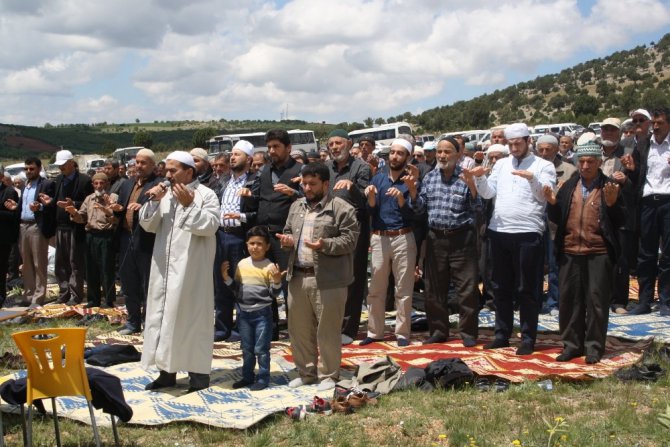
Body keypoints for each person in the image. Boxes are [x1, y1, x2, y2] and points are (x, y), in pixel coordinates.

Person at [465, 123, 556, 355]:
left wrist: (532, 179)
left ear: (528, 141)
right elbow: (489, 193)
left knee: (527, 288)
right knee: (500, 287)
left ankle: (527, 338)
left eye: (518, 143)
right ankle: (502, 335)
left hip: (528, 232)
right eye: (511, 144)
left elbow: (545, 195)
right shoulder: (501, 164)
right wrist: (479, 179)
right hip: (499, 232)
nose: (514, 147)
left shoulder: (544, 165)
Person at [140, 151, 220, 393]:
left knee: (192, 319)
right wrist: (153, 201)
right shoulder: (164, 195)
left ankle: (198, 375)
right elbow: (148, 225)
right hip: (164, 269)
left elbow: (210, 225)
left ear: (189, 171)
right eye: (166, 170)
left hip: (192, 270)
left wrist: (188, 205)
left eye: (173, 170)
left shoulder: (206, 195)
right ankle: (166, 372)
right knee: (163, 318)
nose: (167, 175)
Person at [276, 162, 359, 391]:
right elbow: (288, 231)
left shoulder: (341, 208)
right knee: (299, 329)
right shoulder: (296, 207)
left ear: (325, 183)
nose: (307, 188)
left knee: (328, 330)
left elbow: (350, 241)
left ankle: (329, 375)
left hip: (329, 279)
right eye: (304, 183)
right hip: (298, 276)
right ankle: (306, 373)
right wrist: (287, 240)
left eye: (312, 184)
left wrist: (324, 245)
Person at [545, 142, 625, 363]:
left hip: (598, 252)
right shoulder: (569, 185)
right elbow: (557, 217)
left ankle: (593, 348)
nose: (585, 165)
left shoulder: (610, 186)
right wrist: (552, 204)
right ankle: (572, 345)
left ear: (599, 162)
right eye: (582, 161)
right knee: (569, 301)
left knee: (597, 302)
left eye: (590, 161)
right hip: (570, 250)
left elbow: (623, 220)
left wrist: (612, 204)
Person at [411, 136, 480, 347]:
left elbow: (479, 210)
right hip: (435, 239)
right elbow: (420, 209)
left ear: (458, 154)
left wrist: (473, 187)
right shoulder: (430, 177)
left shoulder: (467, 177)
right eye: (439, 151)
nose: (442, 155)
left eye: (447, 151)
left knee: (467, 290)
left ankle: (468, 334)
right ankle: (439, 331)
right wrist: (413, 192)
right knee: (434, 289)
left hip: (462, 238)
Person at [361, 138, 418, 348]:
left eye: (399, 153)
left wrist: (404, 200)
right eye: (392, 152)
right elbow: (371, 211)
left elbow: (417, 213)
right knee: (376, 288)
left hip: (403, 236)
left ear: (407, 157)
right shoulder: (378, 179)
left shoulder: (411, 181)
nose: (394, 156)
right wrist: (371, 200)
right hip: (379, 237)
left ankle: (402, 333)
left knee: (403, 289)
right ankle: (375, 332)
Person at [247, 129, 302, 339]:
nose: (272, 151)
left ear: (288, 148)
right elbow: (257, 197)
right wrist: (248, 196)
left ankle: (295, 330)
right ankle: (269, 329)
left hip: (285, 237)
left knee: (289, 286)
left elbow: (311, 197)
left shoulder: (300, 169)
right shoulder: (264, 171)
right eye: (269, 147)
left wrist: (294, 193)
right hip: (264, 237)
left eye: (276, 147)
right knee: (265, 284)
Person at [325, 129, 371, 345]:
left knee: (352, 279)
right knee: (331, 277)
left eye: (338, 143)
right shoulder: (326, 168)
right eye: (331, 144)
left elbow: (366, 202)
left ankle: (348, 328)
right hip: (329, 228)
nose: (334, 147)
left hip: (354, 228)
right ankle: (331, 324)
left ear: (349, 144)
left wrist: (352, 188)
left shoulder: (361, 167)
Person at [222, 226, 283, 391]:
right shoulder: (242, 264)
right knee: (247, 348)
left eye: (259, 244)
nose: (255, 247)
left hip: (262, 314)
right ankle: (247, 376)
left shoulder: (269, 266)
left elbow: (274, 294)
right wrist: (226, 278)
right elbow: (237, 288)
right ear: (246, 244)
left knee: (261, 349)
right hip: (243, 314)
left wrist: (277, 281)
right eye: (251, 243)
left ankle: (263, 378)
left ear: (267, 246)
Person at [214, 140, 258, 342]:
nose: (232, 157)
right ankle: (222, 328)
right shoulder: (223, 180)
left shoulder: (255, 181)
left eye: (237, 154)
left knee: (240, 283)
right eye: (231, 154)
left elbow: (260, 212)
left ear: (248, 159)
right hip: (221, 235)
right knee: (221, 281)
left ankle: (241, 330)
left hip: (240, 236)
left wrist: (240, 217)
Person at [115, 149, 162, 335]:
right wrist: (117, 209)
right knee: (129, 282)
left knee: (147, 284)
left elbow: (159, 208)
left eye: (143, 163)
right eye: (137, 162)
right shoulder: (127, 184)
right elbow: (122, 207)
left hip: (146, 240)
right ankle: (133, 322)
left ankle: (148, 324)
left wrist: (144, 207)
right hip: (126, 238)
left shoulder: (158, 185)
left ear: (152, 165)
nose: (139, 166)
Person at [629, 106, 670, 316]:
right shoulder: (644, 145)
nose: (655, 127)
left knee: (668, 255)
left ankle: (666, 301)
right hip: (647, 202)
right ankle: (644, 300)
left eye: (659, 123)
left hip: (668, 202)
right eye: (653, 123)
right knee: (646, 253)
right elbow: (636, 174)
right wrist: (631, 168)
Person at [44, 150, 93, 305]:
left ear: (72, 163)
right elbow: (57, 202)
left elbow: (89, 203)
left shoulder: (84, 180)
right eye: (60, 166)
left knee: (75, 262)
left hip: (75, 227)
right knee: (61, 263)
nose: (61, 168)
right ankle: (64, 292)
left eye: (64, 165)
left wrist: (74, 205)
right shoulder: (59, 179)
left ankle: (75, 294)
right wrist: (47, 203)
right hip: (60, 227)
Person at [536, 134, 577, 315]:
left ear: (556, 149)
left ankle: (554, 302)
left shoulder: (569, 170)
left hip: (556, 222)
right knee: (535, 263)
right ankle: (535, 301)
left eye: (548, 149)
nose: (544, 153)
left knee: (554, 264)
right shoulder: (532, 168)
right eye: (541, 150)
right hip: (534, 219)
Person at [65, 173, 120, 308]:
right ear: (93, 184)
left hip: (106, 236)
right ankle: (93, 299)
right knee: (91, 268)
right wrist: (73, 212)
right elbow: (82, 217)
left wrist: (108, 211)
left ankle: (108, 300)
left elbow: (117, 219)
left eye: (102, 183)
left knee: (106, 269)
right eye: (96, 183)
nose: (99, 186)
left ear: (107, 184)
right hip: (90, 236)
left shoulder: (113, 198)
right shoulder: (89, 199)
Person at [6, 158, 55, 307]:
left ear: (39, 169)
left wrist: (40, 207)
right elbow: (24, 205)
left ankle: (38, 297)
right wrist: (16, 207)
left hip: (36, 226)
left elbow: (52, 205)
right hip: (23, 226)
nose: (28, 171)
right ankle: (29, 294)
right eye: (26, 169)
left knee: (39, 262)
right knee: (26, 263)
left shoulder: (46, 184)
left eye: (32, 169)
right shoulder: (25, 185)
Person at [0, 172, 20, 306]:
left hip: (3, 238)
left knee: (1, 269)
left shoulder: (9, 192)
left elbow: (13, 216)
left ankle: (1, 296)